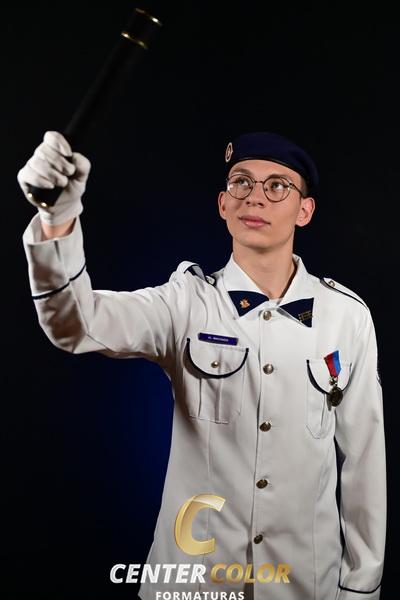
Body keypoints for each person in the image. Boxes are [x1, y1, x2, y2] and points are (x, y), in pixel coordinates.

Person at [18, 130, 386, 600]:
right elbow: (76, 323)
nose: (255, 197)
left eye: (278, 186)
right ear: (223, 204)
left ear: (305, 211)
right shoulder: (185, 303)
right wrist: (57, 219)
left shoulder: (346, 317)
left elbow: (364, 459)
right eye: (241, 182)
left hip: (303, 587)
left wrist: (361, 588)